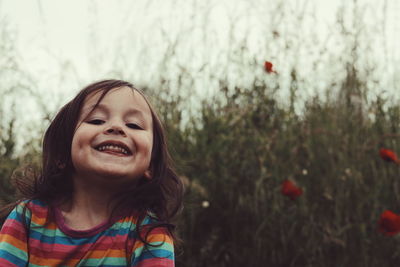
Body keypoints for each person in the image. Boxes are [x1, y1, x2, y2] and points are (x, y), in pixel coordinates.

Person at [0, 79, 184, 266]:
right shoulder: (28, 217)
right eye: (96, 120)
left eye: (134, 125)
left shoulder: (149, 233)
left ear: (151, 165)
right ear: (63, 153)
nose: (116, 127)